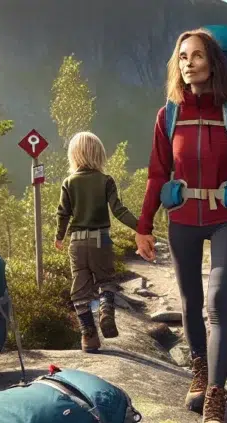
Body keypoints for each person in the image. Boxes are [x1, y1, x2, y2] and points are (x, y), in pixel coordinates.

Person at [134, 29, 227, 423]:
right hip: (182, 222)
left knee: (216, 301)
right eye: (182, 56)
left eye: (196, 56)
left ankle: (216, 395)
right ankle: (199, 368)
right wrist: (144, 224)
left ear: (213, 63)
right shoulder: (168, 116)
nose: (188, 62)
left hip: (224, 219)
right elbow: (157, 174)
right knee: (190, 303)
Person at [53, 131, 140, 353]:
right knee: (106, 280)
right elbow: (119, 210)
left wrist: (59, 236)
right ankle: (106, 310)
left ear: (74, 155)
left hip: (77, 243)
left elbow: (63, 213)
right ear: (98, 154)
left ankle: (88, 337)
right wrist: (142, 227)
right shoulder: (106, 181)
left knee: (79, 289)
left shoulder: (69, 182)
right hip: (101, 240)